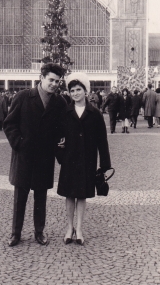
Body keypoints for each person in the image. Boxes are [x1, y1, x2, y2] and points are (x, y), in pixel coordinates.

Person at [3, 63, 66, 247]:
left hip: (44, 158)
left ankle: (39, 232)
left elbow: (61, 128)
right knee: (20, 197)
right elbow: (9, 124)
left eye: (57, 81)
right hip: (24, 156)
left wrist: (61, 147)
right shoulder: (23, 97)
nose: (54, 84)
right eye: (51, 80)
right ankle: (16, 233)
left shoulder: (59, 102)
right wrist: (19, 143)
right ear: (42, 78)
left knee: (41, 197)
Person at [56, 72, 111, 245]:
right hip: (69, 160)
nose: (75, 93)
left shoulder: (94, 113)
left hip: (87, 160)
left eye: (78, 90)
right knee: (69, 195)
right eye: (72, 91)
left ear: (85, 91)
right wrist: (61, 157)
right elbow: (57, 137)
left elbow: (102, 140)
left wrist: (104, 165)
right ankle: (69, 227)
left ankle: (79, 228)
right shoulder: (65, 112)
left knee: (82, 195)